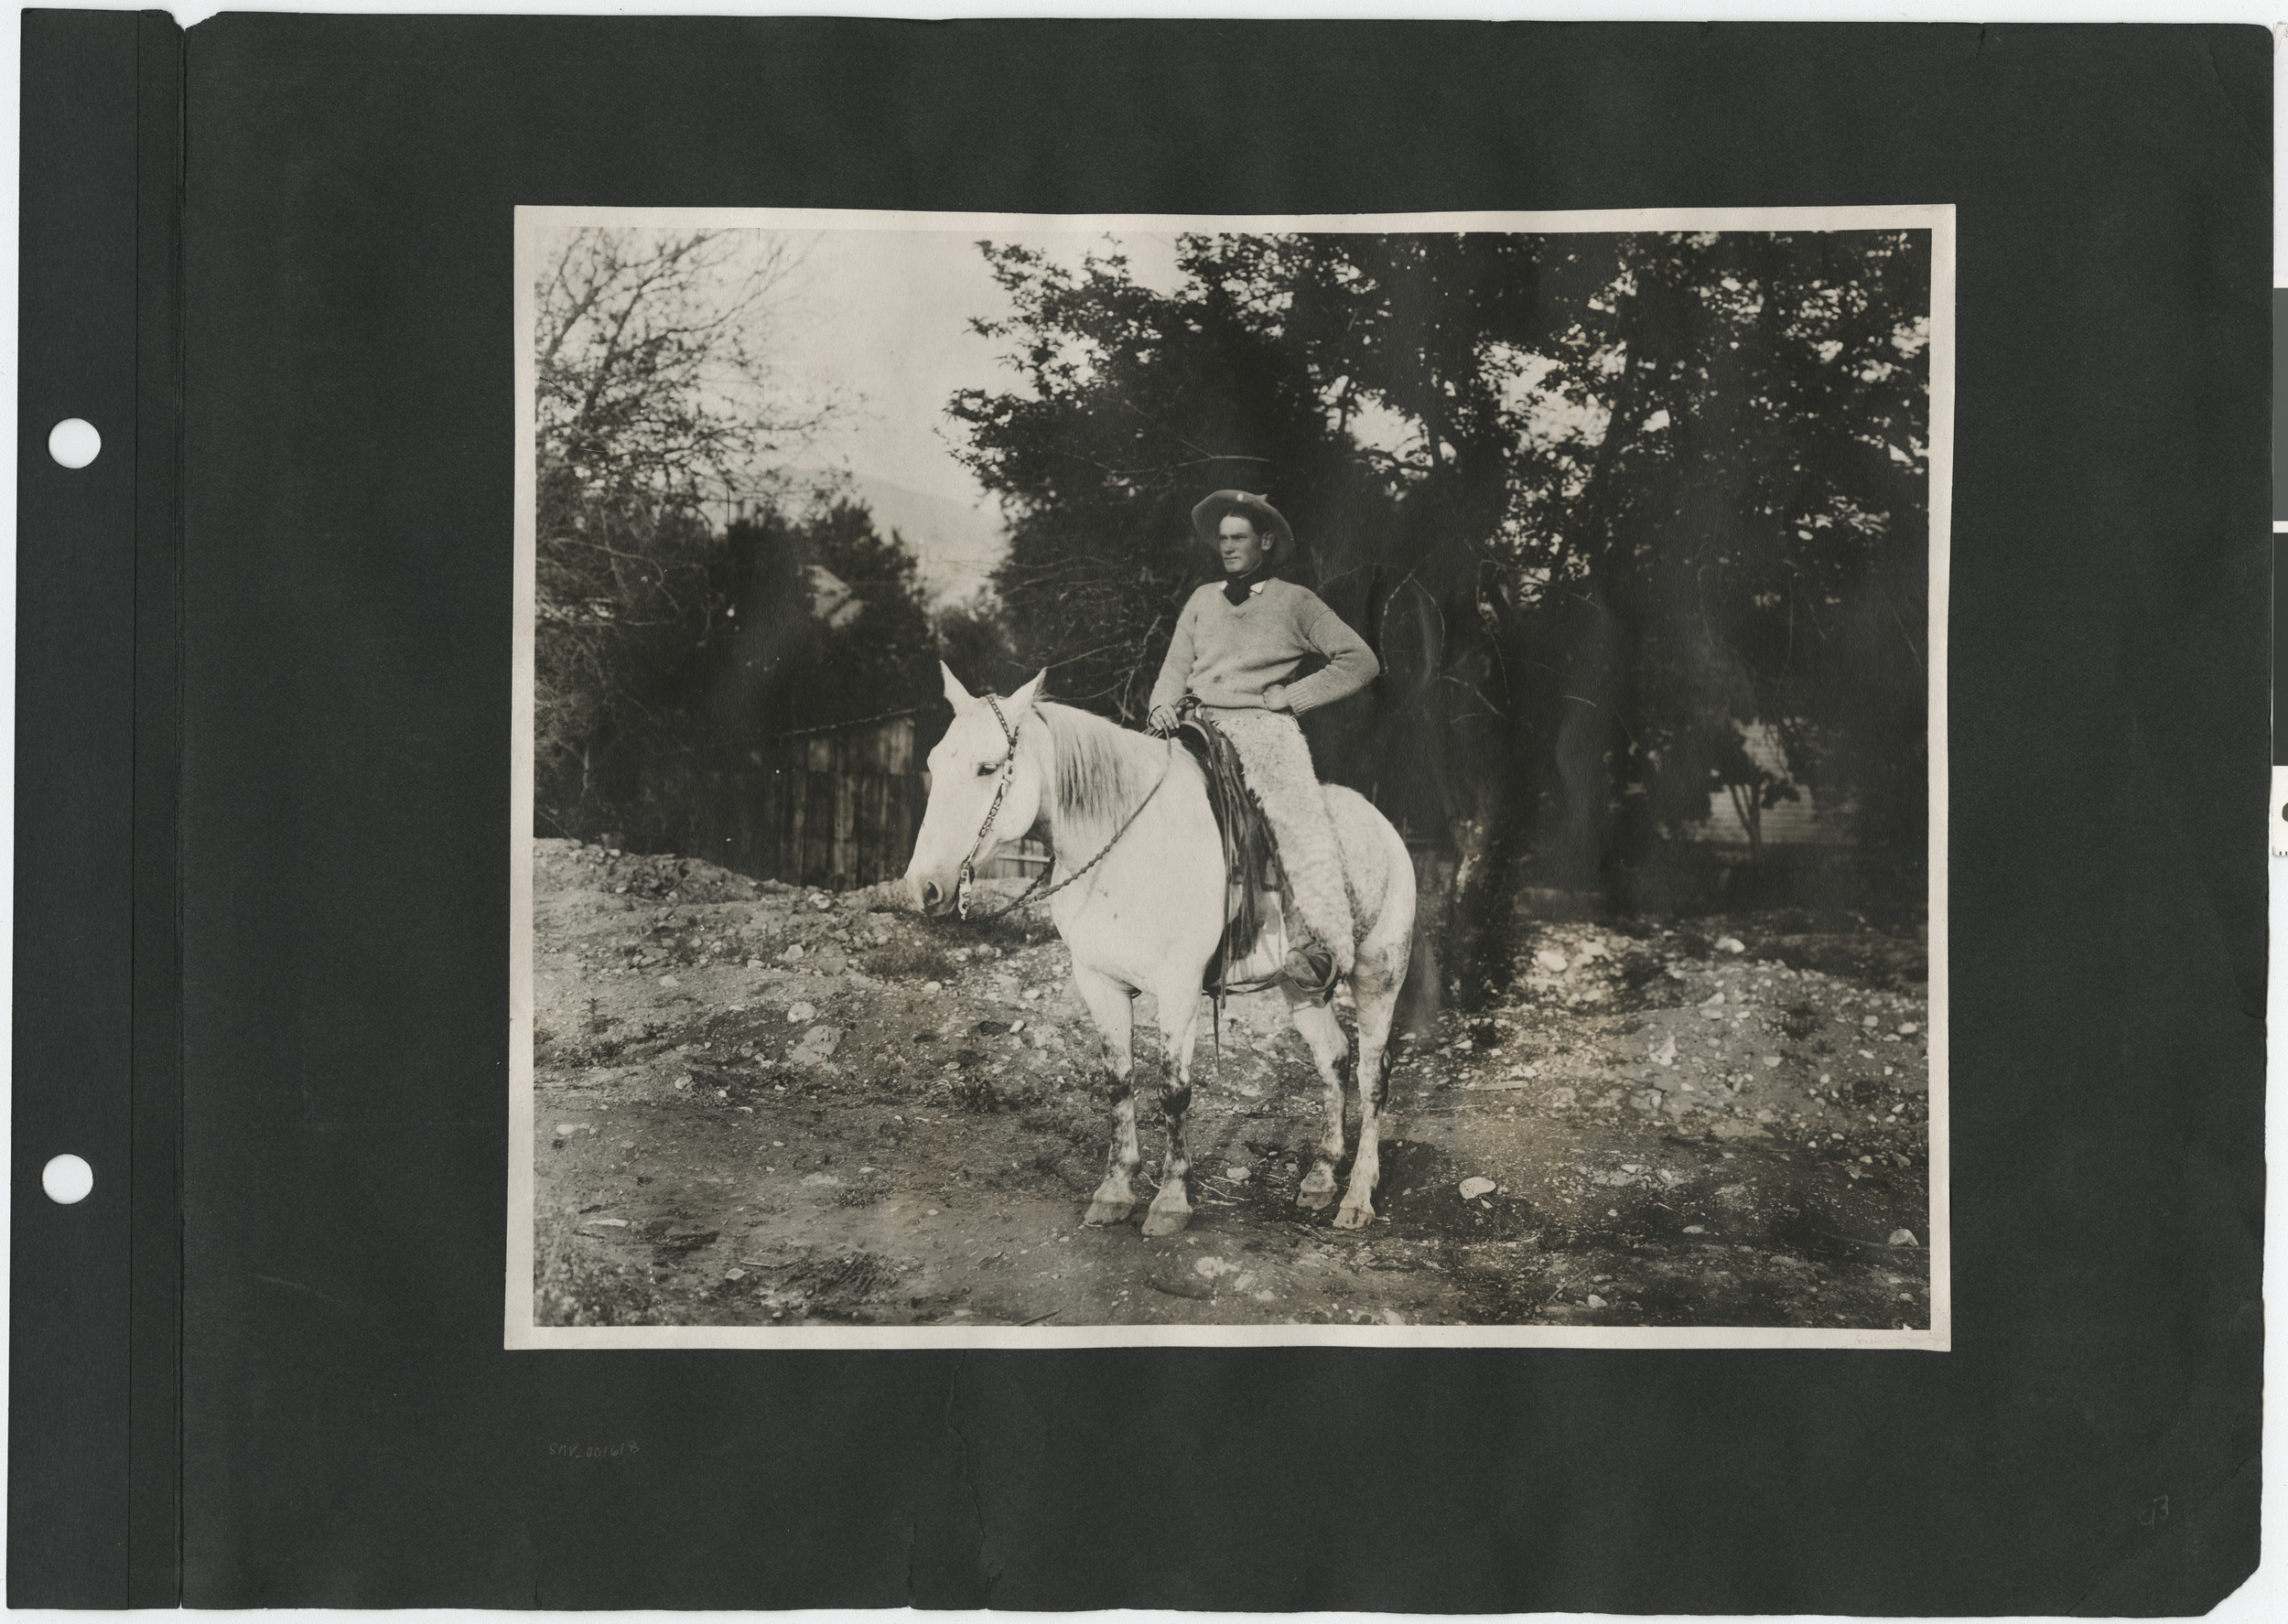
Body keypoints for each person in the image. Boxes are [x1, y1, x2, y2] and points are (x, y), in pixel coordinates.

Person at [1147, 490, 1378, 987]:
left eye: (1239, 538)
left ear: (1265, 542)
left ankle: (1319, 944)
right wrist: (1162, 704)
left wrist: (1292, 697)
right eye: (1223, 539)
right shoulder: (1202, 599)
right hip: (1197, 723)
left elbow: (1361, 660)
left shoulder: (1296, 601)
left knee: (1297, 817)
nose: (1228, 548)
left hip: (1262, 729)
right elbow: (1174, 668)